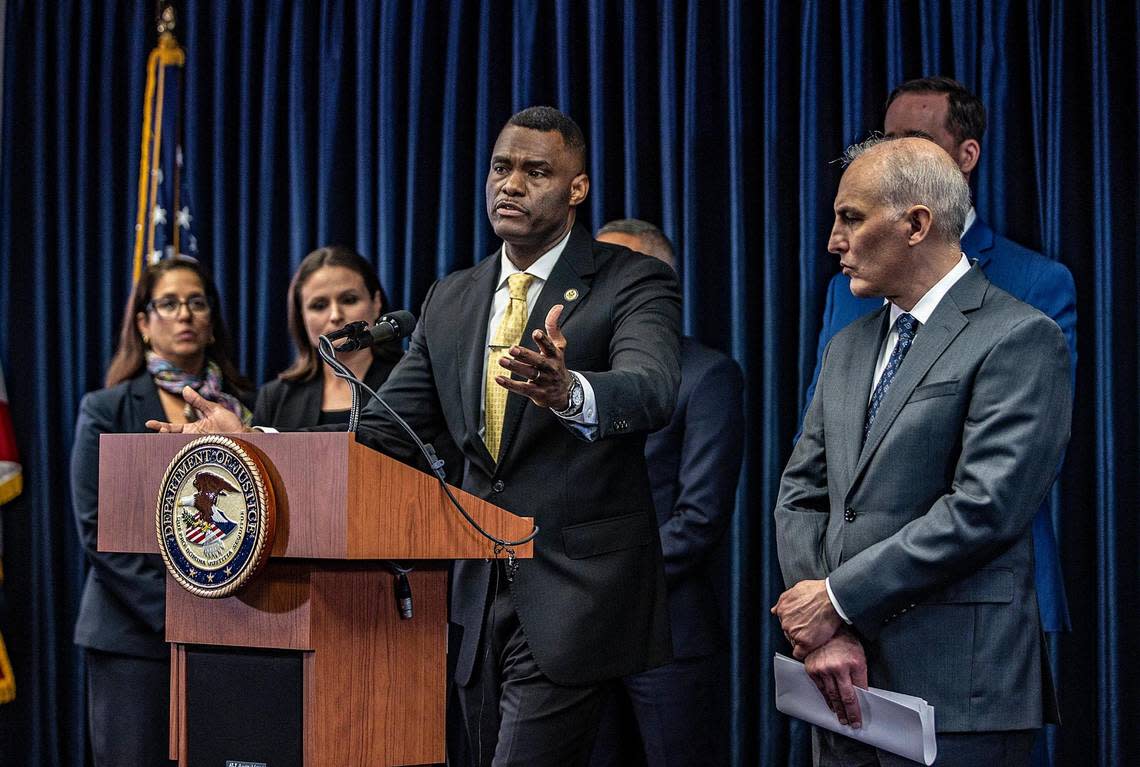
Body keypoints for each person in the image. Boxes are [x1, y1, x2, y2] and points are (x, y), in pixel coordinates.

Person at [147, 106, 682, 767]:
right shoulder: (452, 297)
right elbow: (377, 435)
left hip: (578, 592)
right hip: (472, 597)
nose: (510, 184)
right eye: (500, 167)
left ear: (577, 188)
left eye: (535, 171)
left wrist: (567, 390)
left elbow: (652, 388)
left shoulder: (631, 278)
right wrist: (251, 438)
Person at [773, 136, 1071, 766]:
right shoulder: (848, 345)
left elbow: (985, 509)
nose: (833, 240)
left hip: (958, 689)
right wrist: (825, 628)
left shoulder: (1020, 336)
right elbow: (802, 491)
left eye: (851, 218)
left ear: (916, 224)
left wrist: (838, 599)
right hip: (839, 678)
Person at [803, 76, 1077, 636]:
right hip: (845, 612)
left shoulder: (1034, 288)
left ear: (965, 155)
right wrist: (826, 604)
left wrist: (843, 597)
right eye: (885, 138)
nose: (888, 153)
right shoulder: (847, 292)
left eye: (911, 139)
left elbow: (1000, 480)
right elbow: (817, 459)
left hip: (973, 616)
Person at [71, 257, 252, 766]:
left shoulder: (249, 408)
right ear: (143, 323)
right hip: (132, 637)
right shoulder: (106, 409)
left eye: (197, 302)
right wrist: (180, 613)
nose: (185, 314)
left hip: (232, 638)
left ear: (212, 320)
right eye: (168, 303)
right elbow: (97, 529)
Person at [589, 219, 743, 767]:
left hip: (668, 639)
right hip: (579, 641)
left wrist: (597, 579)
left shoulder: (707, 375)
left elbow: (697, 521)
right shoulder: (569, 382)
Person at [253, 245, 403, 428]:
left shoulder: (407, 379)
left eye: (349, 300)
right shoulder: (274, 397)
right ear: (302, 316)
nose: (335, 315)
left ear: (376, 302)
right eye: (319, 305)